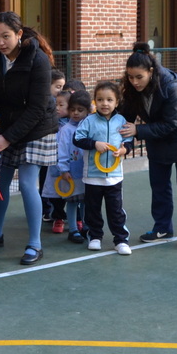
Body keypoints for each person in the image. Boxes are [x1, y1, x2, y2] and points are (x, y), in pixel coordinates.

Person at [0, 11, 59, 265]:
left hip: (38, 126)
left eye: (6, 36)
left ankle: (35, 244)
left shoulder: (38, 59)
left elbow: (38, 108)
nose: (0, 43)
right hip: (10, 124)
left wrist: (7, 138)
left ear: (19, 34)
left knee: (26, 182)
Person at [120, 44, 177, 252]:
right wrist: (122, 142)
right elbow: (125, 118)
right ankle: (163, 228)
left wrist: (138, 130)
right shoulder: (131, 89)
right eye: (130, 77)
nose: (134, 82)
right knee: (159, 186)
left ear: (150, 71)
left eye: (139, 77)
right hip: (156, 138)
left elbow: (169, 124)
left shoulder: (172, 87)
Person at [73, 81, 133, 255]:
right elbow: (77, 139)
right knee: (93, 209)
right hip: (92, 175)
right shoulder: (88, 121)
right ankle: (95, 236)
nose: (104, 103)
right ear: (95, 101)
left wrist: (124, 150)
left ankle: (120, 239)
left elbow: (128, 141)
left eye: (109, 100)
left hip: (114, 176)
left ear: (116, 102)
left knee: (116, 210)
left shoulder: (121, 121)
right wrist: (94, 144)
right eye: (100, 99)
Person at [60, 90, 90, 243]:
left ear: (87, 110)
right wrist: (64, 169)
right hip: (71, 173)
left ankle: (85, 226)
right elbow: (62, 150)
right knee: (72, 201)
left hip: (87, 172)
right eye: (72, 110)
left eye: (80, 110)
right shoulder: (66, 130)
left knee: (86, 201)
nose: (76, 113)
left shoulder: (90, 127)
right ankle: (73, 230)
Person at [41, 89, 71, 235]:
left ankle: (77, 218)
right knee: (55, 194)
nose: (57, 108)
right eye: (56, 105)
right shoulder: (52, 123)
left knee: (73, 194)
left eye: (61, 105)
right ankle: (58, 217)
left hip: (71, 165)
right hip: (55, 165)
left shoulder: (75, 124)